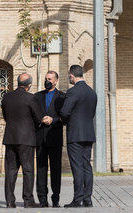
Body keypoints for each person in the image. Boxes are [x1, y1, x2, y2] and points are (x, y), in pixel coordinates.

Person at [1, 73, 44, 208]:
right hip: (26, 138)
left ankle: (9, 201)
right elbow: (38, 117)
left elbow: (6, 116)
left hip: (10, 138)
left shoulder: (6, 97)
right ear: (29, 85)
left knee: (10, 171)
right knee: (28, 169)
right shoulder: (30, 98)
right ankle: (28, 200)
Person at [60, 64, 97, 208]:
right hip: (88, 133)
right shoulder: (92, 92)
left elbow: (64, 112)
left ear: (71, 75)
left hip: (75, 134)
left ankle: (78, 199)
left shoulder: (73, 92)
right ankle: (88, 199)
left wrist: (64, 120)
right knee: (87, 166)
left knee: (77, 167)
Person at [34, 70, 66, 208]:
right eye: (46, 78)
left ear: (56, 81)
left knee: (56, 170)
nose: (48, 80)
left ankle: (55, 199)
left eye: (50, 79)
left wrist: (53, 120)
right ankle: (42, 199)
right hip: (40, 138)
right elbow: (32, 114)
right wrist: (40, 119)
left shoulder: (62, 97)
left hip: (55, 137)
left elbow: (65, 117)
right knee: (41, 170)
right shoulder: (37, 96)